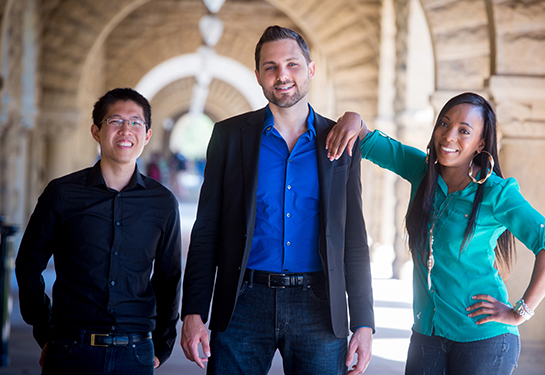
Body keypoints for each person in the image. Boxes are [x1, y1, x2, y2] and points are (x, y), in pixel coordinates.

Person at [325, 92, 545, 375]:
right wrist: (352, 118)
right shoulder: (421, 172)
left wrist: (520, 311)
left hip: (483, 338)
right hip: (426, 333)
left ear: (481, 143)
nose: (449, 136)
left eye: (464, 130)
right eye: (444, 123)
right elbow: (368, 140)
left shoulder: (497, 193)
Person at [180, 25, 375, 375]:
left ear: (311, 69)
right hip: (243, 301)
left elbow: (354, 238)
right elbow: (207, 227)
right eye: (270, 67)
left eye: (292, 64)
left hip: (319, 306)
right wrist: (193, 312)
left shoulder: (341, 141)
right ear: (258, 76)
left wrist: (364, 322)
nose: (282, 75)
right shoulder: (228, 137)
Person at [15, 88, 182, 374]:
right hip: (70, 348)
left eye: (135, 122)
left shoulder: (163, 202)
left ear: (147, 135)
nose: (125, 130)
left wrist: (163, 344)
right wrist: (44, 330)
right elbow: (29, 264)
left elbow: (169, 278)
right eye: (115, 121)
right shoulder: (62, 193)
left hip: (136, 352)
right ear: (96, 131)